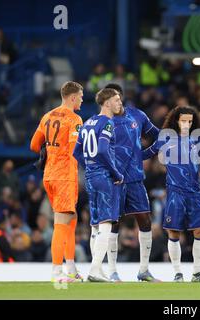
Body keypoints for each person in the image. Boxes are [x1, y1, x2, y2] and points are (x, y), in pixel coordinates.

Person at [142, 106, 200, 282]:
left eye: (190, 121)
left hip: (195, 192)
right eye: (184, 121)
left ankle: (197, 273)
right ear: (176, 121)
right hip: (175, 193)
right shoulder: (166, 138)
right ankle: (178, 273)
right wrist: (128, 158)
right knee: (174, 232)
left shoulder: (197, 140)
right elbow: (147, 153)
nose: (187, 124)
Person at [104, 83, 160, 282]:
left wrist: (145, 154)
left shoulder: (138, 116)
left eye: (117, 97)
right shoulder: (103, 121)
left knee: (145, 220)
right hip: (114, 179)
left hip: (136, 179)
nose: (115, 102)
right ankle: (112, 271)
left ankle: (144, 271)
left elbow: (158, 135)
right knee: (113, 224)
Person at [30, 81, 84, 283]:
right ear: (72, 97)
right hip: (64, 175)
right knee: (61, 223)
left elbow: (34, 145)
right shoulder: (75, 119)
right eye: (80, 96)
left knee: (71, 218)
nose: (81, 99)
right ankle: (56, 272)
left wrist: (50, 150)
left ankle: (70, 268)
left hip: (49, 175)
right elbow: (75, 151)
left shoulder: (47, 116)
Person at [73, 88, 124, 282]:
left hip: (90, 177)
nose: (120, 103)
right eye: (117, 100)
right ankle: (94, 270)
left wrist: (90, 166)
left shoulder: (87, 123)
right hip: (103, 177)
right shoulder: (108, 123)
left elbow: (77, 152)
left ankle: (98, 270)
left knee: (95, 225)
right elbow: (103, 149)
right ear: (107, 103)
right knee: (106, 223)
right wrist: (115, 172)